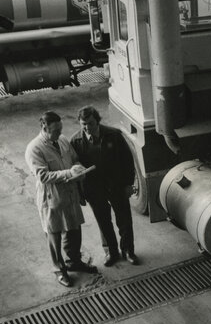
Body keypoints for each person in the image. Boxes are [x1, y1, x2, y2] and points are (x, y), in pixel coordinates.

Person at [25, 111, 94, 287]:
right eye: (55, 130)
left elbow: (74, 158)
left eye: (60, 129)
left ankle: (74, 262)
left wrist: (78, 168)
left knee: (74, 229)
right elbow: (43, 176)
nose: (59, 133)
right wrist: (69, 173)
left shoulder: (62, 140)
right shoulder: (34, 148)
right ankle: (59, 269)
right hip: (51, 197)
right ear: (44, 127)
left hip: (70, 193)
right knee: (54, 234)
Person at [70, 106, 138, 267]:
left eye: (91, 123)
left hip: (117, 185)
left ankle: (128, 250)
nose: (87, 127)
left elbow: (128, 161)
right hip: (94, 190)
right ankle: (111, 252)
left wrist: (129, 184)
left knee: (124, 220)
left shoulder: (113, 135)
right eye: (83, 124)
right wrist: (81, 193)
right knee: (103, 221)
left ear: (97, 120)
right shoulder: (75, 141)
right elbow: (75, 168)